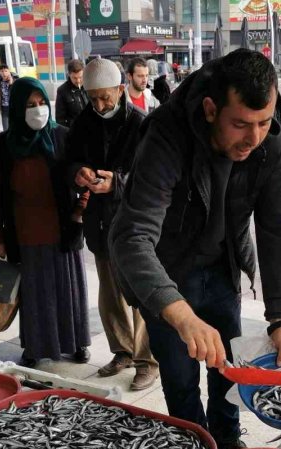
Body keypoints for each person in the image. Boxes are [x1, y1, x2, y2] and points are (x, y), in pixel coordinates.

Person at [109, 49, 281, 449]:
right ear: (211, 109)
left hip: (223, 267)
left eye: (264, 122)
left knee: (228, 372)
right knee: (180, 379)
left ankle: (226, 444)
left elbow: (276, 226)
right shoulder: (166, 134)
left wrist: (280, 316)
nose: (255, 138)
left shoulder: (273, 138)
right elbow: (132, 236)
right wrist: (180, 314)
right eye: (242, 124)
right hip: (168, 271)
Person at [66, 58, 158, 391]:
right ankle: (123, 351)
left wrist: (116, 183)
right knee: (109, 292)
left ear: (121, 89)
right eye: (93, 99)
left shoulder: (141, 124)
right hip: (99, 222)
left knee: (141, 294)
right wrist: (78, 173)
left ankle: (148, 360)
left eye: (106, 97)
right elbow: (69, 160)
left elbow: (153, 177)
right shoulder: (83, 122)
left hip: (133, 223)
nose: (100, 105)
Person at [0, 78, 91, 368]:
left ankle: (77, 343)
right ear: (19, 108)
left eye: (42, 103)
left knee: (67, 291)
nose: (38, 110)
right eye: (30, 105)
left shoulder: (62, 137)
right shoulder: (5, 144)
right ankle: (35, 347)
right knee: (34, 295)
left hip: (63, 228)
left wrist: (80, 210)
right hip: (25, 233)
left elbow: (84, 179)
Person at [55, 59, 89, 128]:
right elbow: (60, 119)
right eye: (74, 78)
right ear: (69, 75)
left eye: (80, 77)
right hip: (74, 132)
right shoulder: (62, 91)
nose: (78, 81)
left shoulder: (89, 86)